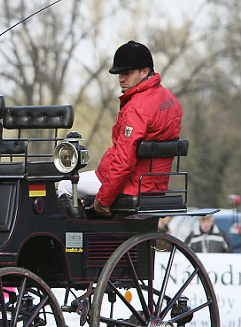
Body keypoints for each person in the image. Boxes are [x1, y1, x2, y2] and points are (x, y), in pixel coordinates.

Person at [57, 41, 183, 218]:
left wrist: (103, 200)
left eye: (127, 73)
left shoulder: (136, 107)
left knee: (65, 186)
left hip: (132, 184)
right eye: (119, 74)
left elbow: (124, 161)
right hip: (156, 184)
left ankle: (79, 240)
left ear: (145, 71)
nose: (121, 78)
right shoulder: (170, 100)